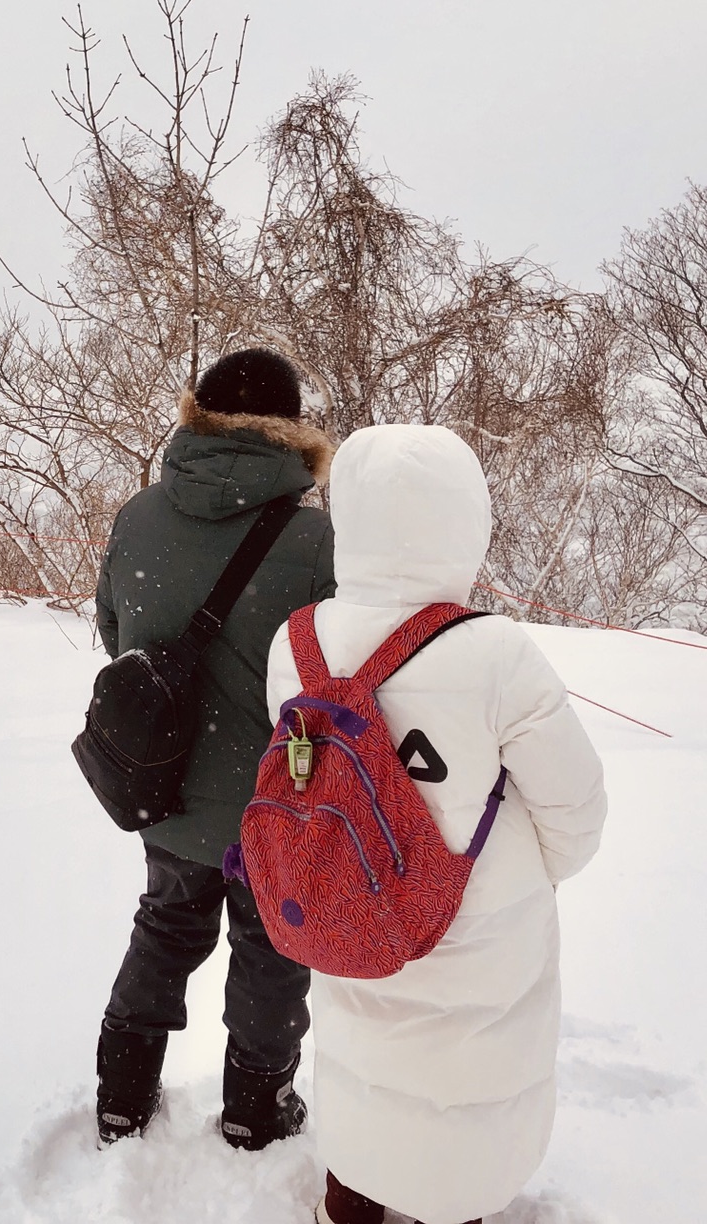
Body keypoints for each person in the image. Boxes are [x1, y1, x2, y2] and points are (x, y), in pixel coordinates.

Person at [264, 425, 607, 1224]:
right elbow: (576, 809)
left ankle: (349, 1199)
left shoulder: (298, 638)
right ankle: (455, 1204)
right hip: (475, 930)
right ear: (465, 520)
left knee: (363, 1050)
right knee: (463, 1079)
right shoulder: (493, 651)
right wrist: (520, 874)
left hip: (340, 901)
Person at [92, 347, 337, 1148]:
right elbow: (338, 674)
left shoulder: (138, 515)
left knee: (165, 927)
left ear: (197, 415)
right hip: (271, 799)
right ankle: (254, 1111)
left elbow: (114, 634)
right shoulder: (317, 540)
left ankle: (123, 1094)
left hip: (161, 786)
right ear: (290, 431)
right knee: (270, 948)